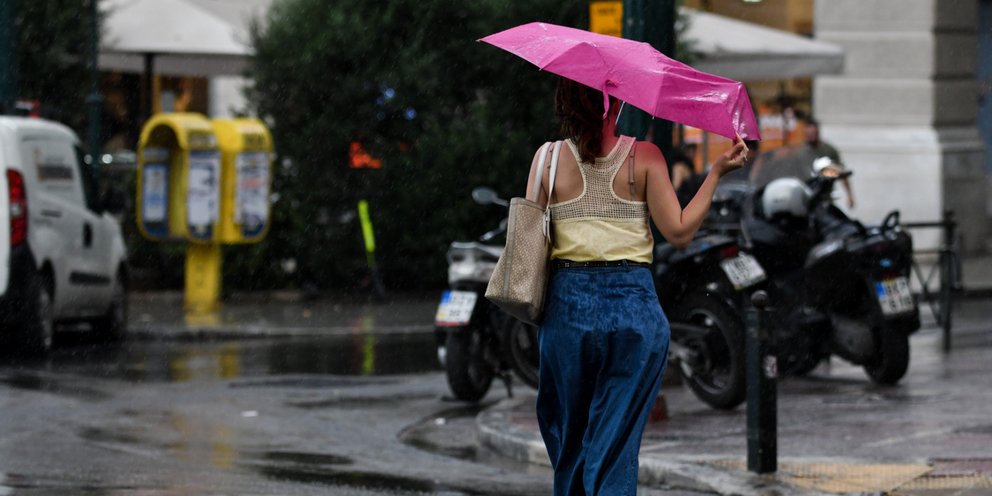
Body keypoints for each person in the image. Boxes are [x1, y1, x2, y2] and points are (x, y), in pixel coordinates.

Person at [526, 78, 747, 496]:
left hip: (567, 309)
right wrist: (716, 172)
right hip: (633, 310)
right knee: (616, 444)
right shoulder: (643, 157)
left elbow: (529, 240)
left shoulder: (547, 160)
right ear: (613, 105)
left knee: (569, 435)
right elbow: (679, 232)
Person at [804, 117, 855, 209]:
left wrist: (850, 195)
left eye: (813, 133)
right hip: (805, 197)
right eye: (809, 134)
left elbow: (841, 172)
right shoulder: (800, 151)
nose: (811, 136)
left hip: (824, 197)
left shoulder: (828, 150)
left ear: (818, 132)